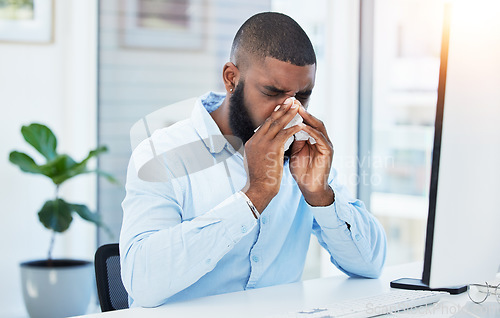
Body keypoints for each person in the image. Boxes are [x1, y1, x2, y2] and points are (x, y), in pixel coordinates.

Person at [120, 12, 387, 308]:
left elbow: (371, 265)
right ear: (232, 79)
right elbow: (142, 282)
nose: (289, 108)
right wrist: (255, 195)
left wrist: (321, 195)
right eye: (272, 92)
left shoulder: (301, 157)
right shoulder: (162, 155)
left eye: (303, 96)